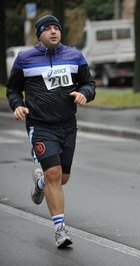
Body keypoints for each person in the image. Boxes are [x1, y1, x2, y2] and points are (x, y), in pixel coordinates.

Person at [6, 15, 96, 248]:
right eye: (48, 29)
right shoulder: (25, 59)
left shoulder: (75, 56)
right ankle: (60, 229)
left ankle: (40, 184)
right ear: (40, 34)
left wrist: (84, 93)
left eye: (57, 28)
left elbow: (89, 83)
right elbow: (13, 89)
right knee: (54, 173)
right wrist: (17, 105)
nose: (54, 32)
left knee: (62, 178)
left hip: (68, 125)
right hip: (41, 125)